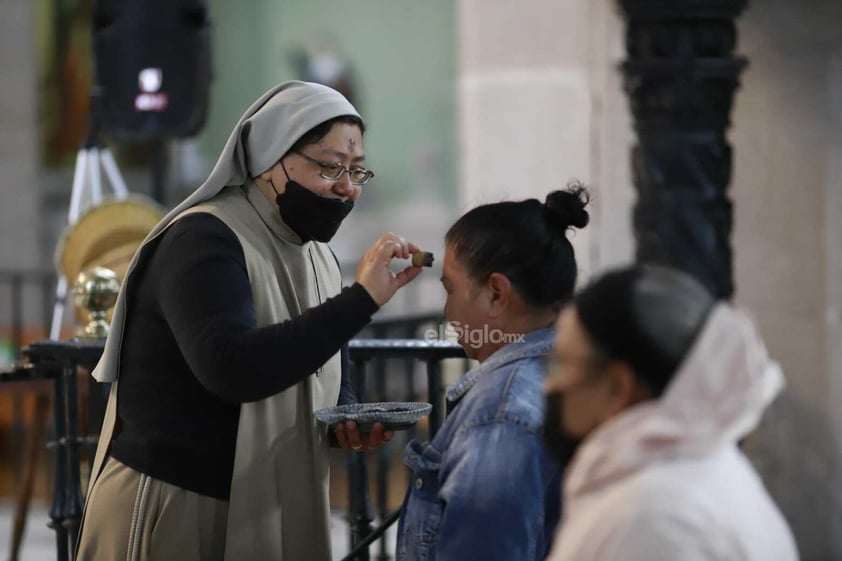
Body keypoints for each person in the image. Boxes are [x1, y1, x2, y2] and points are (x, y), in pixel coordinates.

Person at [75, 81, 424, 561]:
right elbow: (231, 366)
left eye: (356, 170)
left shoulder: (315, 252)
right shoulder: (204, 237)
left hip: (268, 498)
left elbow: (319, 355)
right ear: (270, 159)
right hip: (177, 504)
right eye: (330, 167)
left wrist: (343, 412)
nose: (346, 187)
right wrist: (362, 298)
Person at [543, 265, 799, 561]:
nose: (550, 384)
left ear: (617, 387)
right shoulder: (697, 471)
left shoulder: (649, 520)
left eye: (562, 364)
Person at [396, 186, 590, 561]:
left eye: (450, 289)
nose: (448, 310)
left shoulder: (501, 416)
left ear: (496, 294)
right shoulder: (572, 372)